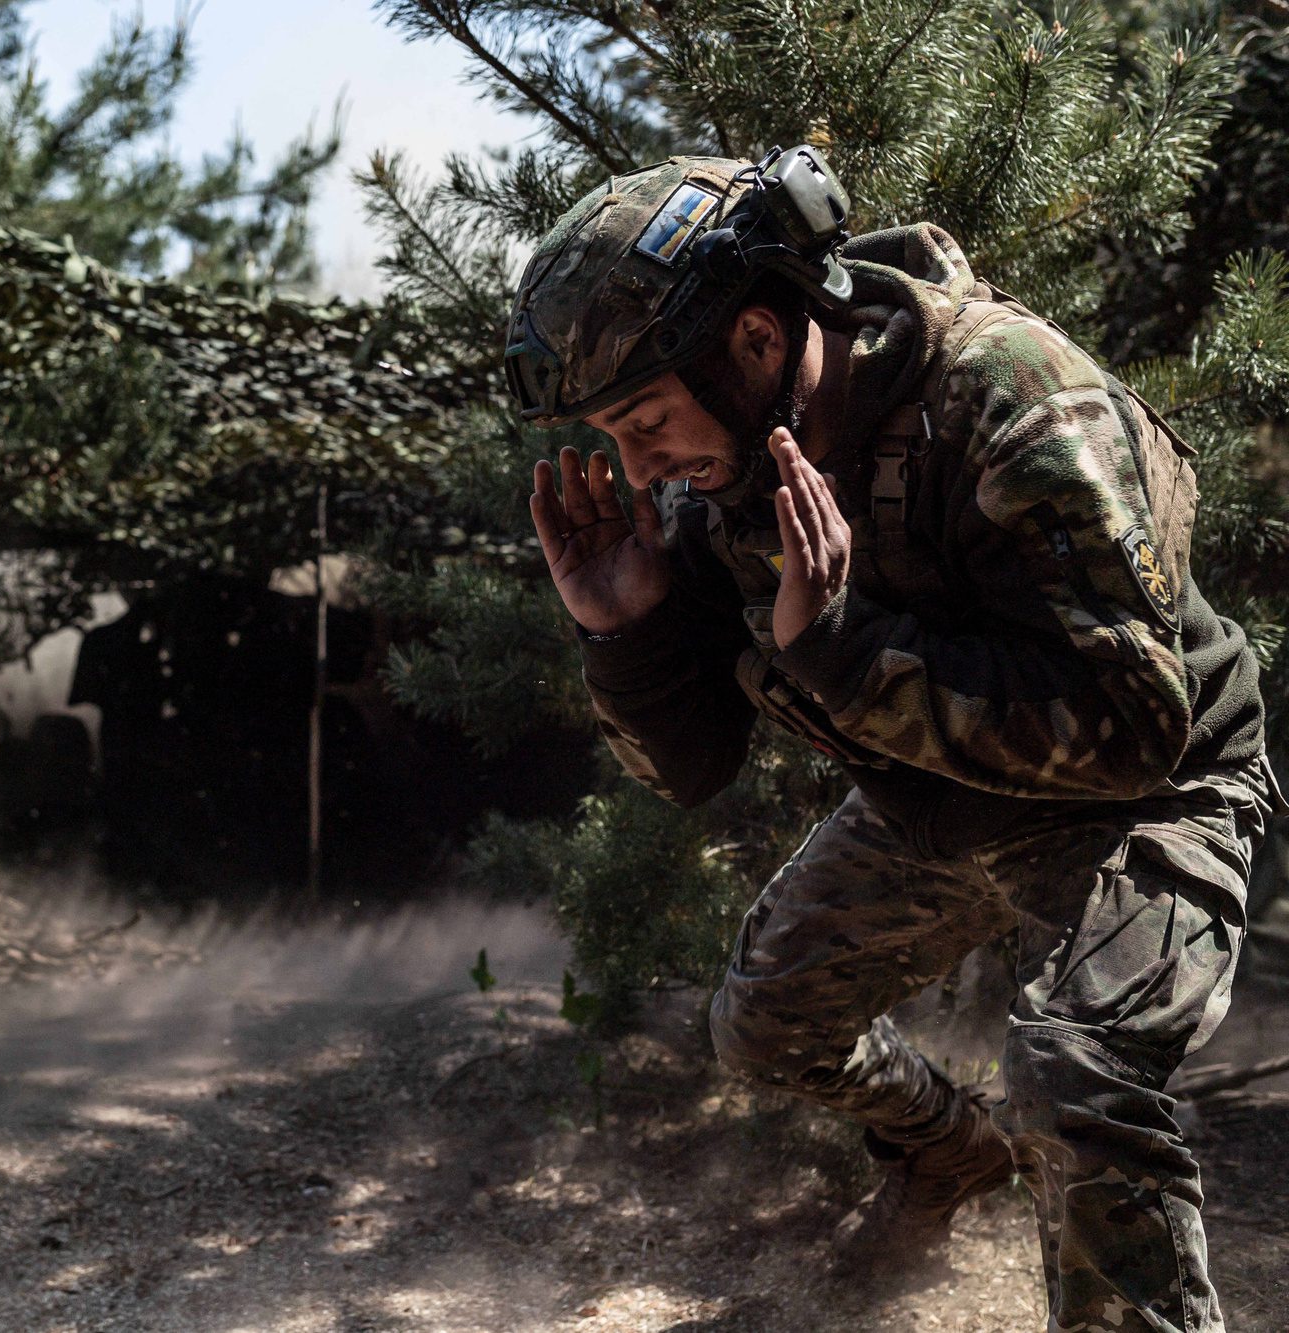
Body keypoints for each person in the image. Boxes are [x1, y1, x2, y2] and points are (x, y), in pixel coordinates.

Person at [510, 148, 1281, 1330]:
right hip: (936, 798)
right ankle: (950, 1152)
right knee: (764, 1028)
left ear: (758, 343)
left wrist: (841, 653)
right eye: (615, 437)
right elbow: (693, 769)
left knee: (1071, 1076)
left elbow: (1126, 727)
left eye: (645, 422)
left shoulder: (1013, 400)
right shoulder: (720, 477)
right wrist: (628, 635)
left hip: (1152, 794)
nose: (638, 465)